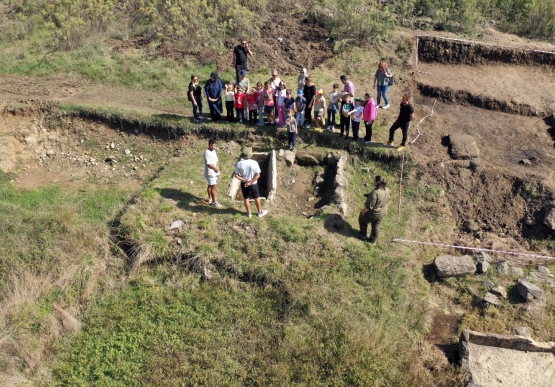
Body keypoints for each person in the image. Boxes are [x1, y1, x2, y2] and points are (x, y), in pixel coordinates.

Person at [234, 147, 268, 218]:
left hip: (244, 183)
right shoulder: (254, 163)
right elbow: (258, 175)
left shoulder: (239, 163)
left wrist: (245, 180)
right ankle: (260, 212)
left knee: (246, 198)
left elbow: (236, 175)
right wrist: (251, 181)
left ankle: (249, 213)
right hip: (253, 184)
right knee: (257, 197)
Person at [357, 176, 391, 245]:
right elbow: (388, 198)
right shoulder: (387, 189)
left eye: (374, 180)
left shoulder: (375, 193)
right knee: (376, 225)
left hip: (374, 214)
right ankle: (373, 240)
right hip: (382, 212)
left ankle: (363, 235)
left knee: (362, 219)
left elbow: (369, 207)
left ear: (377, 182)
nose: (373, 182)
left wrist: (363, 212)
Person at [204, 139, 222, 208]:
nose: (213, 146)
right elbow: (209, 164)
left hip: (215, 171)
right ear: (209, 145)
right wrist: (215, 168)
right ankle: (214, 202)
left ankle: (210, 198)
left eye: (214, 145)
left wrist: (217, 166)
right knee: (213, 186)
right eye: (211, 145)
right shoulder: (207, 152)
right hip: (210, 173)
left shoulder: (214, 151)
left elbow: (217, 160)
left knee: (210, 185)